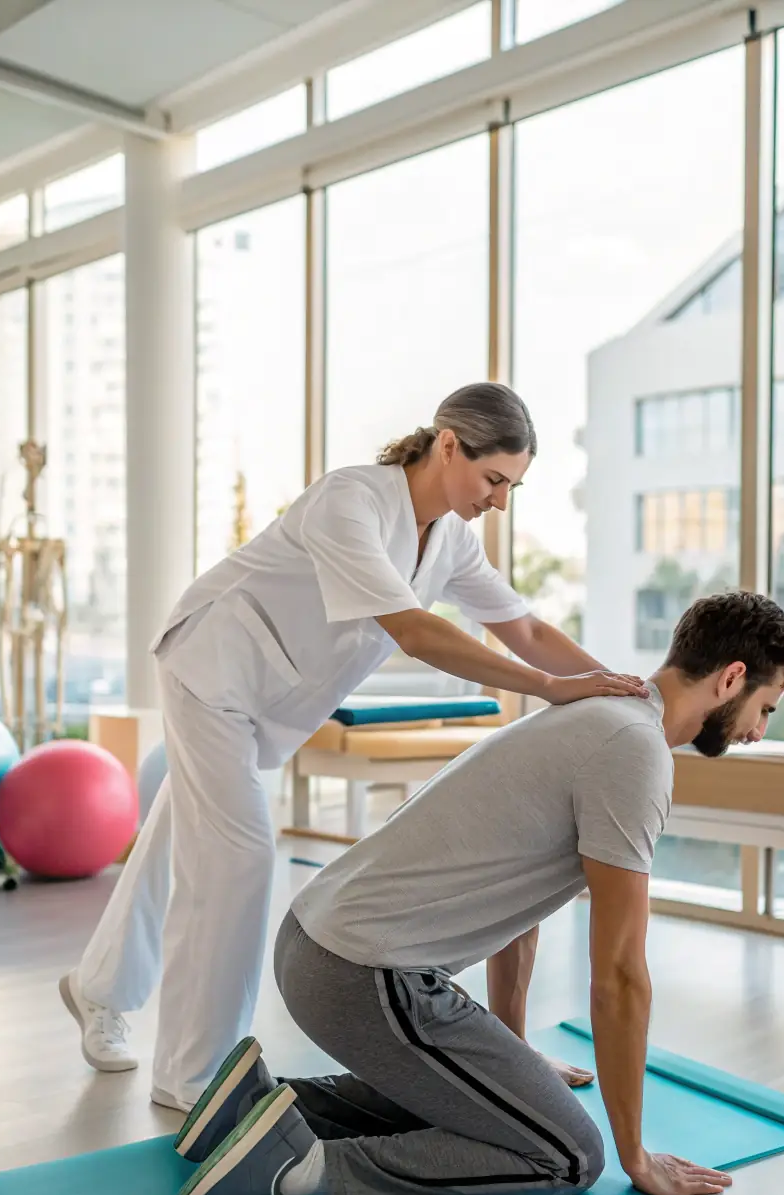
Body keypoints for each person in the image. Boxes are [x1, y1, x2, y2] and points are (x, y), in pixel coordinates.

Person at [60, 382, 648, 1112]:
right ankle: (193, 1075)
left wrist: (610, 684)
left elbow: (523, 627)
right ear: (448, 444)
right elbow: (416, 631)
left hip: (269, 699)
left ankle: (96, 989)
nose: (500, 500)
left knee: (179, 835)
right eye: (494, 479)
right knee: (238, 857)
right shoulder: (352, 501)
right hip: (213, 668)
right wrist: (549, 688)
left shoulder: (452, 541)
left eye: (512, 487)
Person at [164, 590, 784, 1195]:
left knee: (479, 1105)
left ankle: (260, 1106)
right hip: (364, 974)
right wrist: (634, 1155)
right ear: (732, 678)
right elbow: (619, 975)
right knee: (566, 1155)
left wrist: (513, 1055)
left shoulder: (589, 714)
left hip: (314, 943)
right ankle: (300, 1168)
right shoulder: (634, 750)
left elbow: (523, 909)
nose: (759, 731)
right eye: (767, 707)